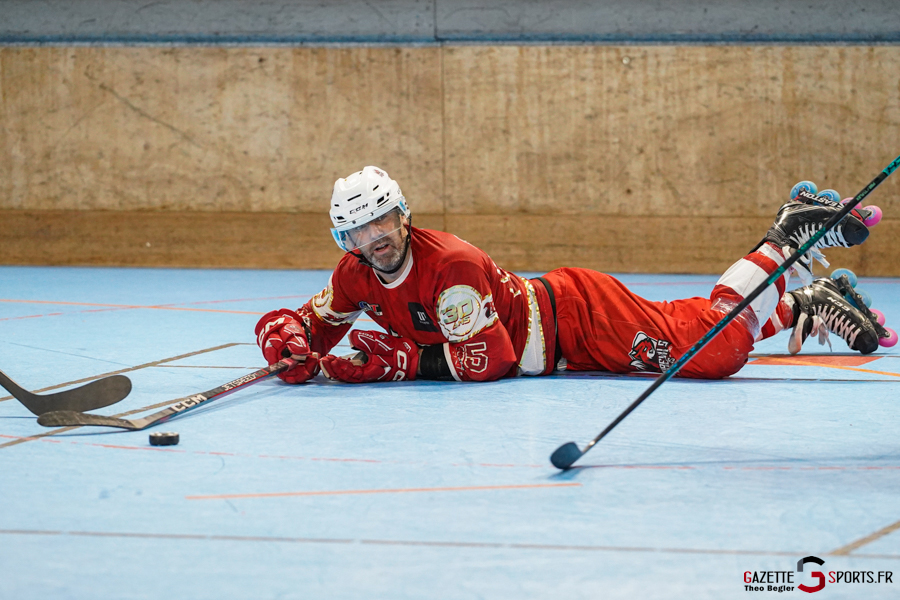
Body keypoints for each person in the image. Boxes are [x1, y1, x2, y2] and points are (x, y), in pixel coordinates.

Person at [255, 166, 885, 385]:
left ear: (403, 214)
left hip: (576, 318)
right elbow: (317, 323)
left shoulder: (450, 266)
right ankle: (803, 303)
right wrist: (287, 340)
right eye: (359, 233)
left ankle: (788, 233)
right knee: (699, 332)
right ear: (346, 240)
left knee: (712, 349)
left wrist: (399, 365)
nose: (376, 239)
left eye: (384, 221)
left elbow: (491, 358)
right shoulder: (355, 272)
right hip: (567, 347)